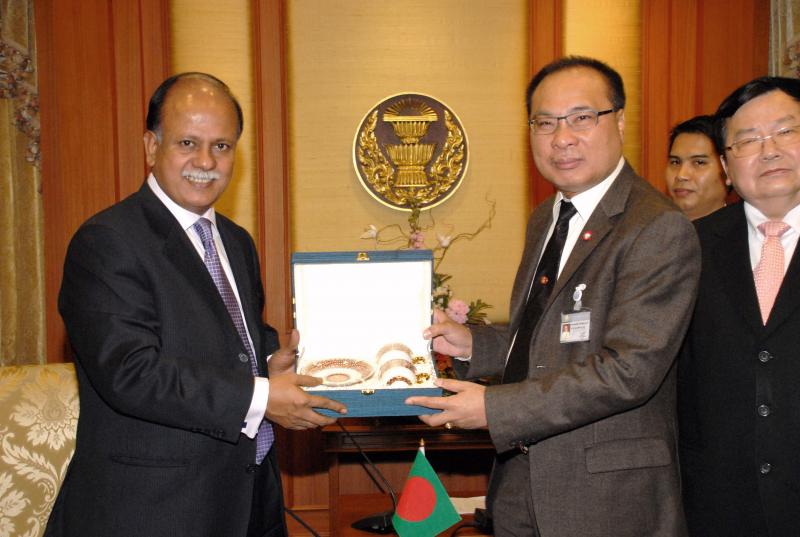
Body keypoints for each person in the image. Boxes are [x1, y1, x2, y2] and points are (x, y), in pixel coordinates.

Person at [406, 56, 700, 537]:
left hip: (606, 499)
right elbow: (548, 340)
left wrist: (495, 409)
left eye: (581, 118)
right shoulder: (547, 217)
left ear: (620, 121)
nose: (561, 138)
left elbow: (629, 370)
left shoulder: (656, 226)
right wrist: (474, 344)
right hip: (521, 483)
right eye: (545, 123)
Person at [45, 73, 346, 537]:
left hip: (246, 504)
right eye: (188, 143)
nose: (205, 161)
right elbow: (131, 372)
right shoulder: (106, 241)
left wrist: (271, 360)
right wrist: (261, 396)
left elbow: (236, 336)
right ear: (151, 146)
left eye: (221, 146)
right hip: (151, 514)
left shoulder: (236, 242)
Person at [678, 76, 800, 536]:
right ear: (727, 167)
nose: (769, 150)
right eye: (748, 140)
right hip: (716, 509)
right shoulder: (685, 249)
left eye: (786, 131)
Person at [666, 115, 731, 220]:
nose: (681, 175)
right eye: (675, 162)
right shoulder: (649, 226)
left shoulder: (748, 228)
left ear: (727, 168)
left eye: (699, 162)